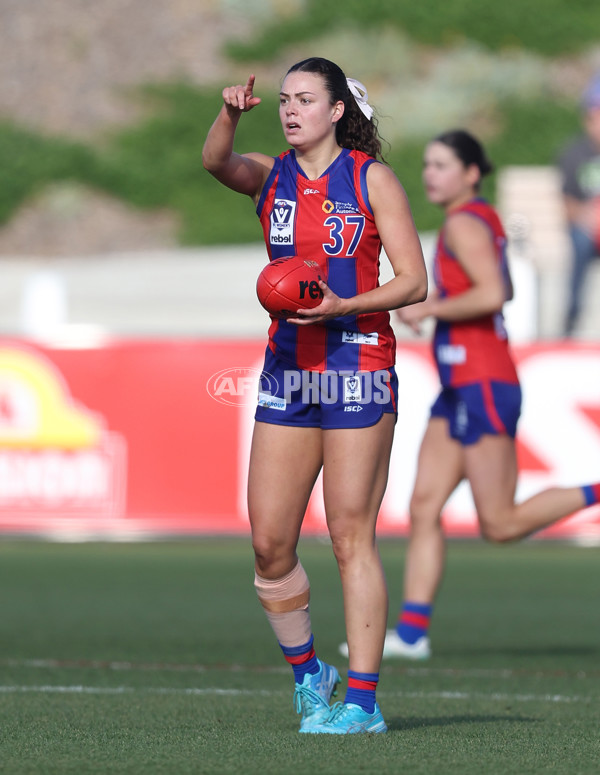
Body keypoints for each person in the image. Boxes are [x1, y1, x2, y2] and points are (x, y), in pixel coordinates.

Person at [202, 57, 427, 732]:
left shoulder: (370, 177)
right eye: (283, 100)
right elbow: (216, 162)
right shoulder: (270, 177)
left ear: (336, 111)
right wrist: (229, 113)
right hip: (288, 372)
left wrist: (344, 305)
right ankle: (310, 676)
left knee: (349, 534)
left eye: (305, 99)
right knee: (270, 542)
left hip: (358, 364)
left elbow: (413, 281)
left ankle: (361, 702)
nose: (290, 109)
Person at [338, 129, 600, 661]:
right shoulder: (474, 218)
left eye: (441, 165)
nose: (430, 174)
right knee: (425, 504)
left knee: (499, 524)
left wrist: (428, 307)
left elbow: (495, 292)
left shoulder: (463, 222)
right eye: (428, 164)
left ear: (472, 173)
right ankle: (411, 634)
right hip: (460, 385)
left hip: (482, 381)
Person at [557, 72, 600, 337]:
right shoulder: (573, 153)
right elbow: (568, 205)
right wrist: (589, 217)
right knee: (580, 243)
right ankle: (572, 315)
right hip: (585, 228)